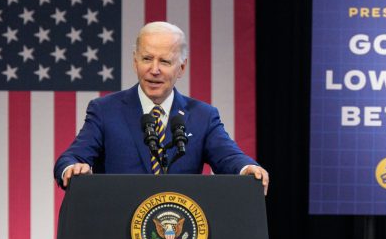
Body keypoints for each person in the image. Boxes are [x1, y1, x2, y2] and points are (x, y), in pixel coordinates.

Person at [53, 21, 269, 194]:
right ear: (135, 61)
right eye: (147, 58)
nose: (154, 70)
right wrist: (72, 168)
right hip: (118, 231)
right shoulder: (105, 110)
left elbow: (229, 157)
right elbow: (71, 158)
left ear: (181, 67)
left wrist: (246, 168)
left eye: (164, 61)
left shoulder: (202, 116)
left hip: (178, 237)